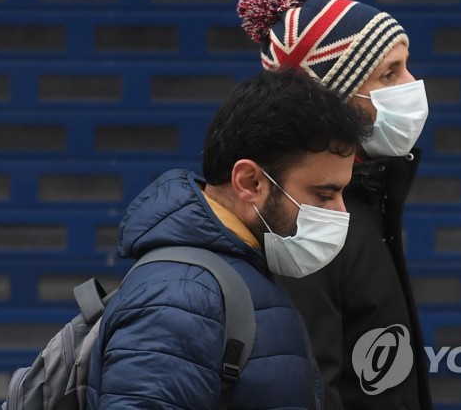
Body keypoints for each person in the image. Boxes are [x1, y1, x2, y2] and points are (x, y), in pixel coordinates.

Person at [86, 69, 369, 410]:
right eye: (324, 195)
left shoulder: (235, 275)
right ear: (249, 182)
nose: (340, 212)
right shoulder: (181, 297)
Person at [237, 0, 433, 409]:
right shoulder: (311, 220)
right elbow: (310, 388)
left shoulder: (360, 199)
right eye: (390, 73)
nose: (412, 83)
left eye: (406, 65)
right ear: (334, 100)